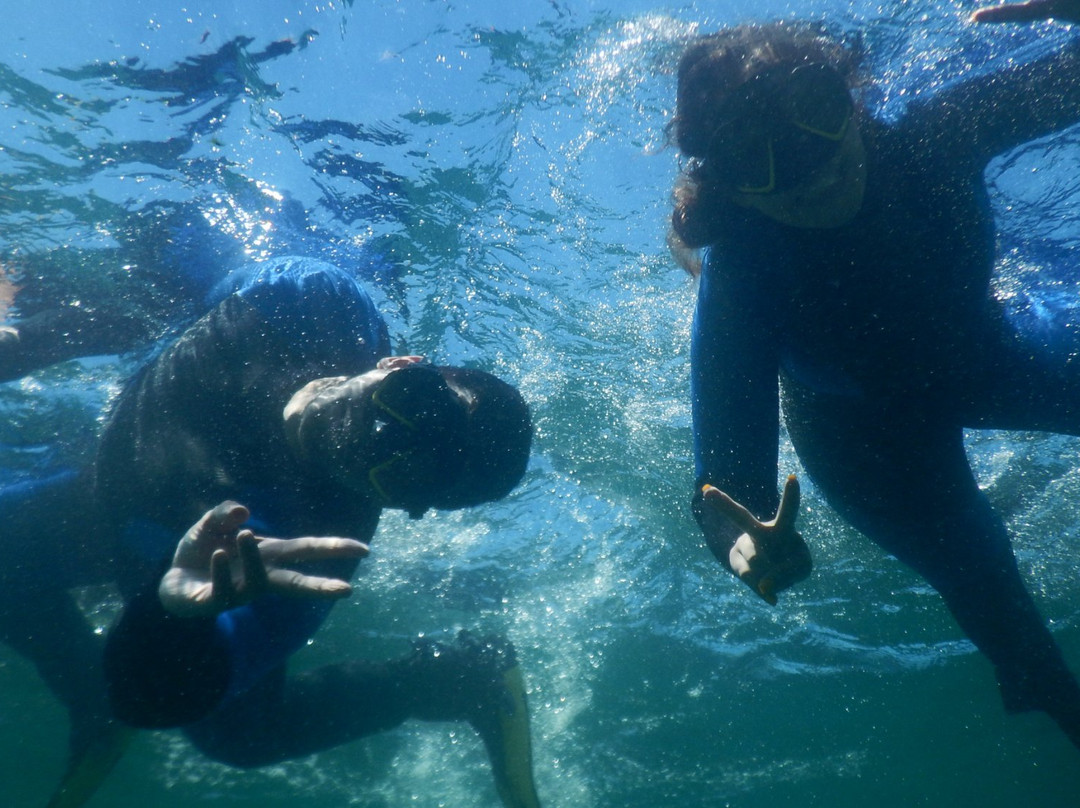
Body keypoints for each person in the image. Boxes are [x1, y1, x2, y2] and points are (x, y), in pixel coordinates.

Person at [669, 0, 1080, 747]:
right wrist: (746, 548)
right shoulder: (741, 282)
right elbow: (724, 496)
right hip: (868, 446)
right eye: (755, 154)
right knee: (1016, 633)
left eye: (816, 114)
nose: (809, 166)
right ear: (725, 182)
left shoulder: (934, 133)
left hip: (987, 352)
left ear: (852, 96)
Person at [4, 255, 540, 807]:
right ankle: (87, 694)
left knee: (235, 735)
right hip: (102, 486)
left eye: (408, 470)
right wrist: (23, 343)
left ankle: (459, 678)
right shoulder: (311, 302)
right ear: (398, 363)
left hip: (145, 542)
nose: (378, 438)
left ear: (405, 505)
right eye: (408, 404)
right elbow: (162, 298)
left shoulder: (304, 551)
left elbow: (154, 702)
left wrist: (172, 620)